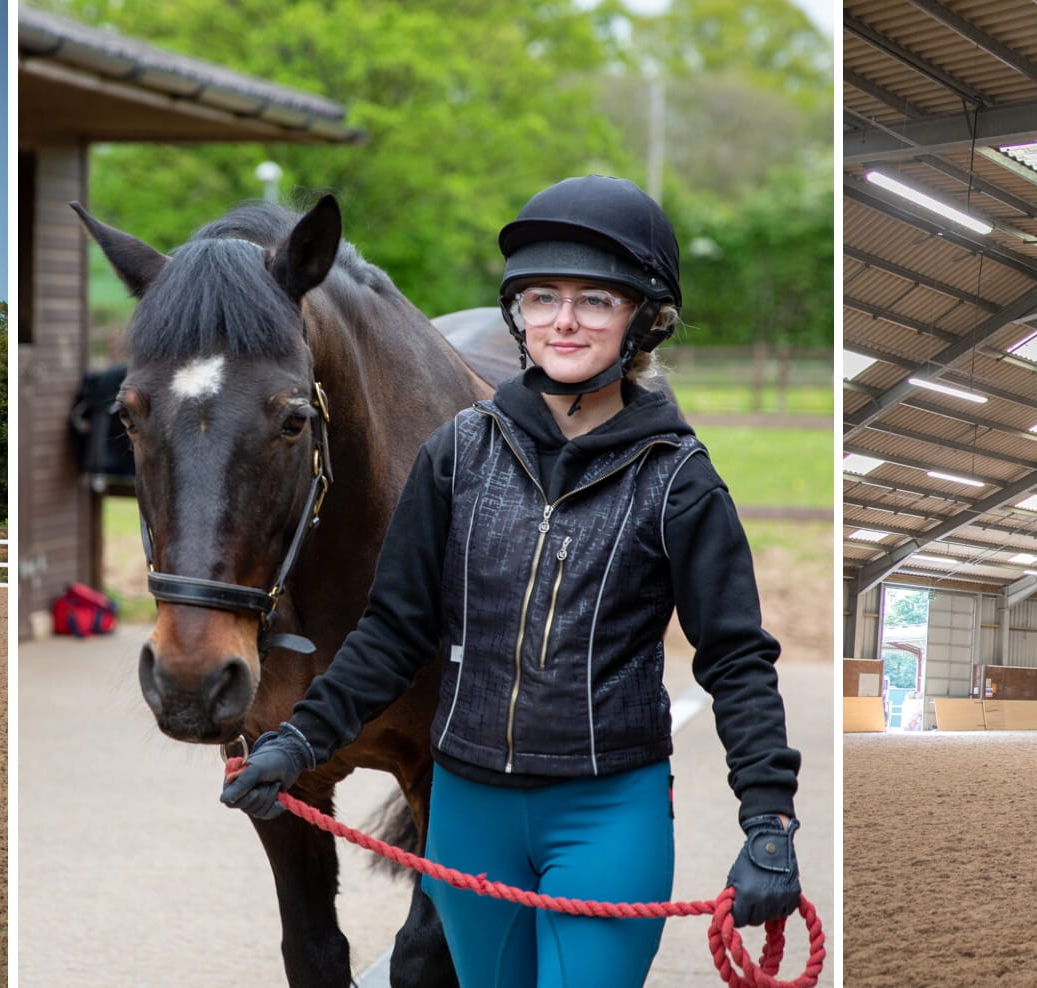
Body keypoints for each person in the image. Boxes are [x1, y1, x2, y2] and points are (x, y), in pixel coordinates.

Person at [221, 175, 801, 986]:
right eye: (540, 297)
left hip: (607, 812)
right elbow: (393, 631)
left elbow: (735, 657)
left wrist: (768, 818)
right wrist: (298, 741)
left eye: (594, 300)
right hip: (468, 814)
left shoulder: (680, 482)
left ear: (645, 318)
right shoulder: (456, 454)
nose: (562, 321)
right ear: (516, 313)